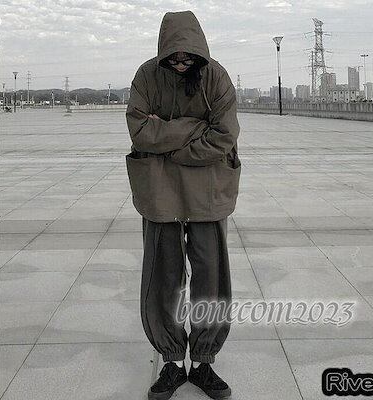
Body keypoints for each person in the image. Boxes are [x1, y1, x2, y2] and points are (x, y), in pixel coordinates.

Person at [125, 10, 241, 400]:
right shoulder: (146, 76)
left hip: (208, 191)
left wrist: (171, 147)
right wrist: (195, 127)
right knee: (163, 275)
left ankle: (204, 362)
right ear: (164, 51)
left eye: (187, 57)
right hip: (159, 191)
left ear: (199, 51)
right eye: (173, 57)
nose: (180, 62)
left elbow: (224, 135)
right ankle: (172, 362)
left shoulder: (216, 77)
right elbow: (140, 129)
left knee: (211, 275)